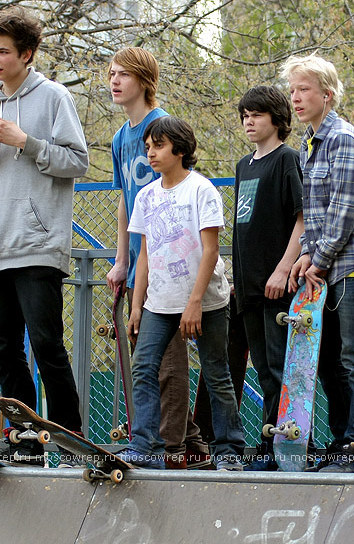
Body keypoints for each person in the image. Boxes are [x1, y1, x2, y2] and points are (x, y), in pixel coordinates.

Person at [0, 7, 88, 465]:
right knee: (3, 347)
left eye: (3, 52)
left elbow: (78, 162)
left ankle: (72, 438)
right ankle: (26, 437)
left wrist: (26, 142)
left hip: (37, 244)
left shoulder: (53, 97)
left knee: (46, 343)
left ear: (27, 53)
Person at [279, 54, 354, 473]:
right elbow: (315, 211)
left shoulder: (342, 137)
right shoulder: (310, 144)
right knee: (325, 359)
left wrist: (319, 259)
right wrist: (308, 253)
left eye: (304, 89)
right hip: (329, 263)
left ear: (327, 94)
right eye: (292, 90)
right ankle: (342, 439)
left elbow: (344, 210)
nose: (296, 97)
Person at [119, 116, 246, 470]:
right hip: (159, 302)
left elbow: (210, 250)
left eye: (158, 146)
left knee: (216, 373)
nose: (151, 154)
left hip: (205, 302)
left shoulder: (201, 189)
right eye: (148, 148)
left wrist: (194, 304)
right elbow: (143, 254)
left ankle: (229, 451)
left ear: (179, 149)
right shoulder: (145, 196)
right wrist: (136, 306)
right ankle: (146, 446)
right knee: (143, 367)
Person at [104, 46, 210, 470]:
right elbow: (126, 204)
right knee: (147, 362)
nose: (114, 81)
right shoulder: (118, 138)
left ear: (144, 81)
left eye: (123, 75)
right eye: (111, 74)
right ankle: (192, 446)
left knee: (167, 362)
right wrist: (121, 261)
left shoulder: (159, 128)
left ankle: (172, 448)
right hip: (140, 263)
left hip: (171, 265)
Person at [232, 86, 304, 471]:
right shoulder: (244, 166)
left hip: (278, 287)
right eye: (245, 114)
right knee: (262, 372)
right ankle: (269, 443)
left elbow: (302, 217)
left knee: (280, 369)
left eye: (257, 114)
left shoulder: (287, 159)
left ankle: (287, 447)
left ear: (276, 118)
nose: (249, 121)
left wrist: (282, 268)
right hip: (247, 288)